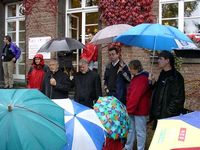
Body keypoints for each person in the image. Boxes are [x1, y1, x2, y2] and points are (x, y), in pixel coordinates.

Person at [149, 51, 185, 129]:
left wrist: (168, 113)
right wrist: (153, 82)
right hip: (158, 114)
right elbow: (160, 92)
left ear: (167, 61)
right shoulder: (162, 74)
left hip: (167, 116)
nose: (158, 61)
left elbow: (178, 99)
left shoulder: (176, 77)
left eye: (160, 59)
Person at [124, 60, 151, 150]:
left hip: (139, 110)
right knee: (131, 130)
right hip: (134, 109)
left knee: (140, 132)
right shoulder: (137, 77)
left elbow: (135, 96)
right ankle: (128, 147)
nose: (130, 70)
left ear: (135, 68)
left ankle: (140, 148)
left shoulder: (141, 79)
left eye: (130, 69)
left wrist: (129, 109)